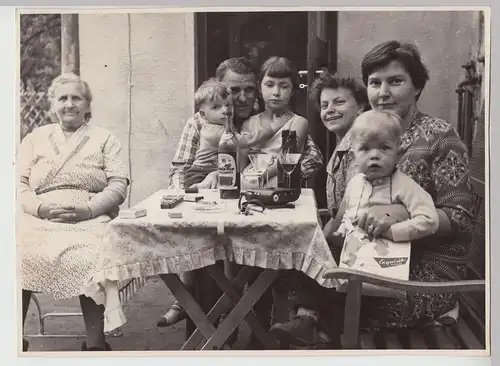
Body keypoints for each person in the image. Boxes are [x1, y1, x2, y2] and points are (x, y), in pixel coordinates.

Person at [269, 40, 476, 347]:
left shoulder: (439, 137)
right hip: (368, 257)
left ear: (417, 87)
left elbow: (460, 218)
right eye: (375, 83)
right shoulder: (362, 136)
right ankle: (309, 327)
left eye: (396, 81)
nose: (383, 93)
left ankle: (311, 328)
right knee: (289, 269)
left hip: (423, 273)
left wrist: (400, 214)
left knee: (324, 293)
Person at [159, 57, 324, 348]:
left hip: (260, 202)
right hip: (218, 207)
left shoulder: (266, 117)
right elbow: (179, 168)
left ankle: (256, 338)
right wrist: (211, 174)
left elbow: (310, 158)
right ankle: (210, 338)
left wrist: (273, 171)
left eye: (249, 89)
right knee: (207, 254)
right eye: (235, 91)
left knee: (260, 260)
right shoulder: (200, 121)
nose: (243, 97)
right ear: (220, 90)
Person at [18, 73, 130, 351]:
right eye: (63, 98)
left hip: (89, 216)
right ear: (52, 105)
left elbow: (118, 184)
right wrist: (41, 208)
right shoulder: (35, 138)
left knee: (91, 257)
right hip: (41, 216)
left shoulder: (105, 139)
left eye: (76, 98)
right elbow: (17, 183)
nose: (69, 104)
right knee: (14, 253)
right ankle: (9, 340)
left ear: (87, 105)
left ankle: (94, 344)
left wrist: (88, 209)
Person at [328, 110, 439, 250]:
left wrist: (393, 232)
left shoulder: (405, 186)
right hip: (354, 257)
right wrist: (343, 230)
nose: (374, 155)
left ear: (398, 153)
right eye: (365, 148)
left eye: (384, 148)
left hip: (390, 261)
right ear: (353, 156)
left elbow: (430, 220)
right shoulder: (354, 184)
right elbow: (349, 215)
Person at [184, 78, 283, 188]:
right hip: (200, 173)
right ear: (203, 115)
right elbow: (246, 141)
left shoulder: (225, 124)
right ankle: (200, 186)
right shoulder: (214, 131)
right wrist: (272, 129)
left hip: (219, 170)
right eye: (216, 107)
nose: (225, 110)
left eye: (228, 105)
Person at [240, 56, 309, 187]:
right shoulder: (249, 123)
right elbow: (241, 164)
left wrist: (261, 177)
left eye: (284, 87)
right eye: (270, 85)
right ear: (260, 88)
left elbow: (288, 160)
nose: (276, 92)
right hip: (249, 181)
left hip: (279, 179)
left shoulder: (298, 123)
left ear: (293, 90)